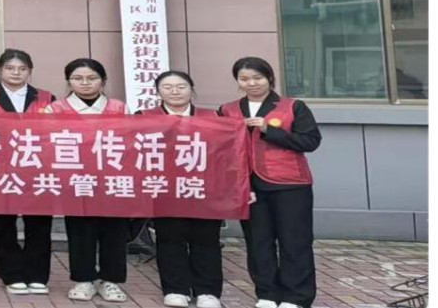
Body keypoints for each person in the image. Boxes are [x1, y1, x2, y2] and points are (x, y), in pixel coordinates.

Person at [218, 57, 321, 308]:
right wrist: (238, 185)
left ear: (270, 78)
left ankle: (297, 297)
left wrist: (269, 130)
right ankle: (267, 293)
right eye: (244, 79)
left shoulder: (293, 106)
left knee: (294, 242)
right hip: (249, 186)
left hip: (290, 185)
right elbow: (221, 150)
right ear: (237, 82)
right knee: (258, 242)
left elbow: (310, 141)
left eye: (258, 78)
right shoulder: (227, 110)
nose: (252, 83)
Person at [45, 58, 130, 303]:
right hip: (75, 179)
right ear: (69, 81)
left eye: (92, 78)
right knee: (80, 230)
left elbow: (130, 141)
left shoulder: (119, 107)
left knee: (114, 230)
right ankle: (83, 279)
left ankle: (110, 280)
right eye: (77, 78)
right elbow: (48, 143)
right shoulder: (56, 109)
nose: (85, 83)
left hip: (112, 179)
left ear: (103, 81)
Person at [136, 71, 223, 308]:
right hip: (165, 189)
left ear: (191, 90)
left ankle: (208, 291)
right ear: (157, 92)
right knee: (169, 238)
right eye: (167, 87)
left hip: (204, 188)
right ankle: (175, 289)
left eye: (181, 86)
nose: (175, 91)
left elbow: (225, 153)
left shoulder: (214, 117)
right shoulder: (144, 117)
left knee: (207, 239)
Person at [0, 49, 55, 295]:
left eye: (22, 69)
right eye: (10, 68)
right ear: (0, 70)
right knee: (2, 223)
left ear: (30, 71)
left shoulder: (46, 98)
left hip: (37, 167)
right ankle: (11, 274)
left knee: (39, 223)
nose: (16, 73)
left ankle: (37, 275)